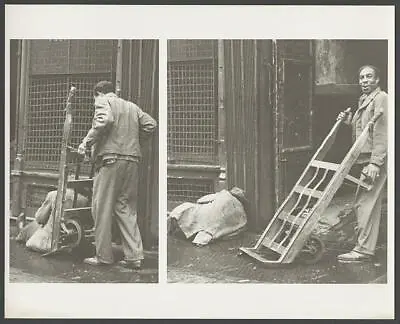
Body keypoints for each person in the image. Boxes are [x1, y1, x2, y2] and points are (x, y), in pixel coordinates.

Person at [78, 81, 157, 269]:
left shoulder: (102, 101)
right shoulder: (132, 106)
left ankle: (103, 257)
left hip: (110, 160)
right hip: (132, 161)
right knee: (126, 208)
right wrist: (133, 143)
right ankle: (134, 257)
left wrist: (85, 143)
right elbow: (151, 125)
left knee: (101, 208)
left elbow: (104, 120)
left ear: (98, 93)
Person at [336, 65, 387, 263]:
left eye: (369, 77)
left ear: (377, 79)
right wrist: (349, 120)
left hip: (375, 161)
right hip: (364, 159)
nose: (364, 80)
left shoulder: (382, 98)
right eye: (361, 77)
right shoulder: (365, 100)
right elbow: (365, 130)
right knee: (366, 203)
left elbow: (383, 134)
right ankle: (365, 246)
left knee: (366, 203)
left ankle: (364, 250)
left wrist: (375, 164)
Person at [168, 187, 248, 246]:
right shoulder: (240, 208)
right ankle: (201, 239)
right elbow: (242, 224)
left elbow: (201, 200)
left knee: (193, 213)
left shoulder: (223, 194)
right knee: (213, 228)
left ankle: (175, 229)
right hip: (219, 222)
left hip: (207, 213)